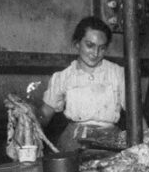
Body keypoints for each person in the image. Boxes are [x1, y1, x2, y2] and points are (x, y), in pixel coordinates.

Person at [40, 16, 126, 151]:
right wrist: (27, 120)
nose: (95, 53)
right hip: (74, 142)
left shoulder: (118, 74)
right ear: (77, 44)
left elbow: (136, 114)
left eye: (102, 48)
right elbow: (44, 115)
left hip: (110, 141)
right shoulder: (62, 77)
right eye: (90, 45)